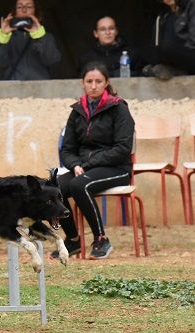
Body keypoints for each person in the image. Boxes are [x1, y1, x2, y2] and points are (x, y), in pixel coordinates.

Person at [51, 61, 135, 260]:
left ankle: (101, 239)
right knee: (53, 189)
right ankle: (72, 240)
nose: (94, 85)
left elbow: (123, 148)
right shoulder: (77, 111)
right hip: (83, 168)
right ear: (83, 83)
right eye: (89, 81)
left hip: (117, 168)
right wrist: (75, 164)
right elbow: (68, 149)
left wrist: (87, 164)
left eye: (98, 81)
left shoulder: (118, 108)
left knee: (80, 185)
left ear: (106, 83)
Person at [0, 0, 61, 80]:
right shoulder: (8, 37)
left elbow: (52, 60)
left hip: (40, 88)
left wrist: (40, 36)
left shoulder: (46, 37)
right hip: (14, 88)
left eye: (29, 7)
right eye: (19, 7)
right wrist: (3, 37)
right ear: (14, 13)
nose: (24, 10)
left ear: (36, 12)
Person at [143, 0, 195, 79]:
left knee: (167, 46)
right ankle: (174, 70)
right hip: (173, 58)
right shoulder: (163, 17)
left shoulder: (191, 6)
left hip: (190, 52)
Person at [78, 16, 144, 77]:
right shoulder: (87, 58)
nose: (107, 32)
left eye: (111, 28)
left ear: (116, 31)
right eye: (103, 29)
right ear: (96, 34)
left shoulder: (132, 53)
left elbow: (143, 76)